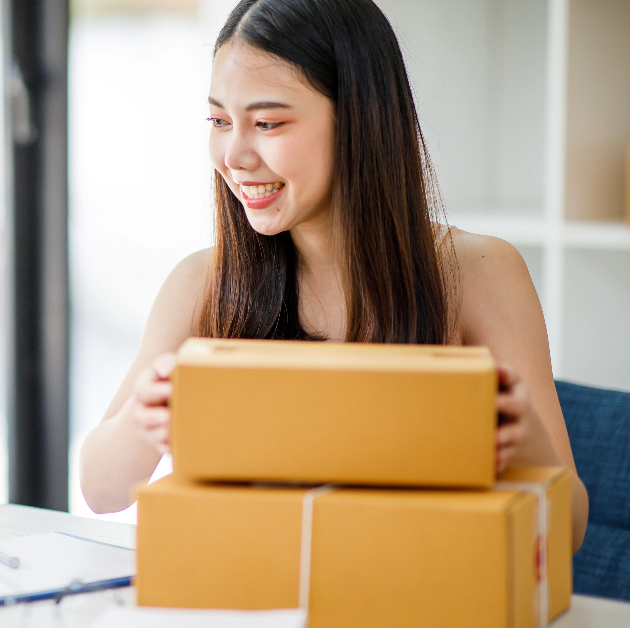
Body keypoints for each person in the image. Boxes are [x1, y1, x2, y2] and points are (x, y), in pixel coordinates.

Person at [78, 0, 589, 551]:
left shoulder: (480, 273)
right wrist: (142, 419)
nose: (233, 154)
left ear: (359, 119)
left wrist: (525, 439)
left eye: (268, 122)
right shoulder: (202, 283)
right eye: (220, 121)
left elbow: (568, 531)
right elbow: (100, 490)